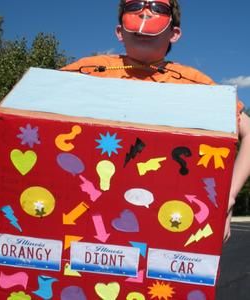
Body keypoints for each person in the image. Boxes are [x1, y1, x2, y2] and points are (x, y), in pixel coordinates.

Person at [61, 0, 250, 241]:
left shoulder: (194, 83)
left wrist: (228, 196)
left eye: (159, 8)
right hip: (88, 214)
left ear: (175, 33)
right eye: (134, 7)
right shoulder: (85, 71)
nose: (146, 13)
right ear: (119, 32)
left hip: (167, 218)